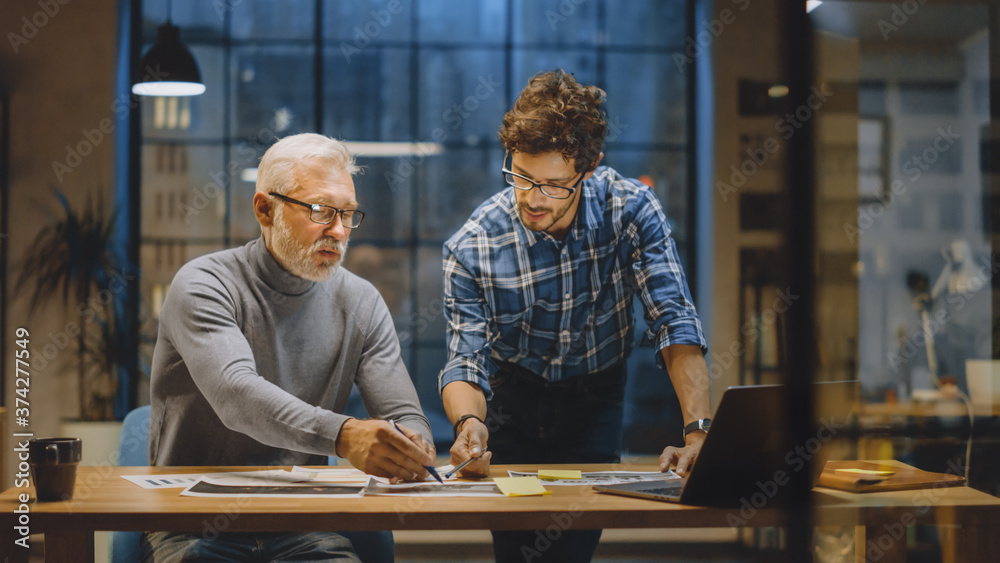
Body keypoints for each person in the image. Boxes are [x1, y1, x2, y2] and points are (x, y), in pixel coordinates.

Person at [439, 70, 712, 562]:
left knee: (572, 548)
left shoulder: (631, 211)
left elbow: (672, 319)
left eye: (552, 185)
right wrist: (468, 425)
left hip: (595, 395)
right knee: (518, 551)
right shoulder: (473, 245)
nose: (532, 198)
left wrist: (698, 431)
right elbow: (466, 358)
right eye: (520, 176)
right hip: (511, 398)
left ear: (588, 170)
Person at [144, 133, 435, 562]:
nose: (338, 231)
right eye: (321, 211)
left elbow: (404, 414)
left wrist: (414, 445)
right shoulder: (205, 284)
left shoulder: (362, 301)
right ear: (265, 209)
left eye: (348, 214)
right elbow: (236, 395)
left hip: (303, 525)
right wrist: (345, 435)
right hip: (193, 524)